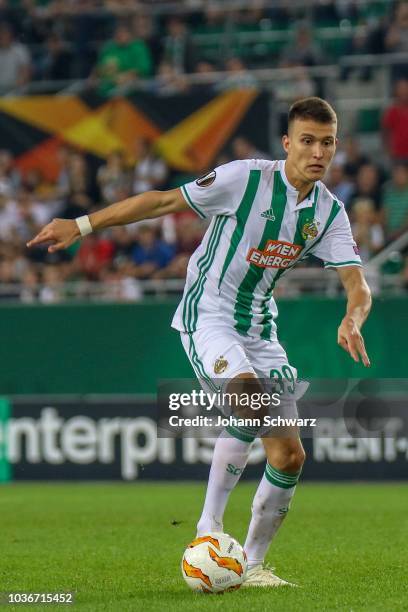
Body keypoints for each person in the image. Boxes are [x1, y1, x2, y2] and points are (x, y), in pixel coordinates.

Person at [27, 97, 371, 587]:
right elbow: (163, 201)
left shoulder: (328, 213)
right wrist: (82, 225)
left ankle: (249, 565)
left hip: (260, 328)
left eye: (328, 143)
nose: (317, 152)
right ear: (287, 143)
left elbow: (357, 284)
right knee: (250, 403)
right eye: (308, 141)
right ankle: (207, 530)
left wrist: (352, 318)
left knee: (289, 456)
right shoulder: (245, 179)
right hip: (208, 314)